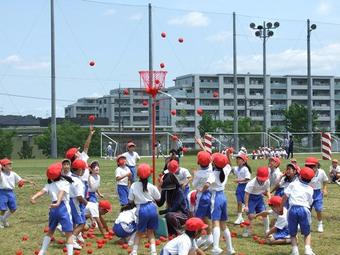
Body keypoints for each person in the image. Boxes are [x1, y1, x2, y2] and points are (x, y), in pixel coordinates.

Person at [31, 163, 74, 255]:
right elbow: (61, 192)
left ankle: (42, 252)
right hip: (63, 208)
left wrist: (33, 197)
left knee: (50, 231)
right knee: (69, 233)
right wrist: (58, 202)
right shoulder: (65, 182)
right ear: (60, 172)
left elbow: (41, 192)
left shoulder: (49, 185)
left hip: (53, 209)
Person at [281, 167, 315, 255]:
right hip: (304, 209)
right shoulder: (310, 189)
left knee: (293, 232)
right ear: (310, 179)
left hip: (292, 209)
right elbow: (310, 202)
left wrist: (281, 207)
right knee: (307, 232)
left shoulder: (293, 184)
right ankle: (307, 250)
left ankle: (295, 251)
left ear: (299, 176)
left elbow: (285, 197)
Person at [128, 163, 161, 255]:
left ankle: (134, 251)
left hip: (142, 209)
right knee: (151, 232)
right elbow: (158, 198)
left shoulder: (134, 185)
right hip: (153, 209)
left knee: (139, 232)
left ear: (138, 175)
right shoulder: (152, 186)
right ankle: (153, 251)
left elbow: (130, 200)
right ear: (149, 174)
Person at [209, 153, 236, 255]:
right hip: (223, 197)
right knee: (223, 224)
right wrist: (228, 155)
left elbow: (207, 184)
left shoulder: (212, 174)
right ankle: (230, 248)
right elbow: (229, 164)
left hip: (215, 197)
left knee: (215, 223)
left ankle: (216, 247)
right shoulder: (225, 170)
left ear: (214, 164)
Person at [0, 158, 34, 228]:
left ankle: (3, 219)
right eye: (8, 164)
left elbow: (20, 180)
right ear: (3, 167)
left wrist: (28, 181)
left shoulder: (13, 174)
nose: (10, 165)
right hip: (2, 192)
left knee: (13, 208)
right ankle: (2, 221)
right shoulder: (1, 174)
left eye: (10, 164)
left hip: (10, 192)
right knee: (2, 209)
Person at [65, 126, 95, 200]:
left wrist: (90, 135)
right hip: (81, 182)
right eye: (77, 151)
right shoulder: (79, 160)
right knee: (81, 199)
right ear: (75, 155)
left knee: (83, 198)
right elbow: (86, 147)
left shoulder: (81, 158)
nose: (79, 152)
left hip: (85, 182)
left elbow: (86, 147)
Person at [192, 151, 214, 250]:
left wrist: (194, 174)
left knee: (198, 218)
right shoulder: (211, 169)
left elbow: (195, 185)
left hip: (201, 197)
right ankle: (209, 236)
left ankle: (196, 239)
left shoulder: (198, 174)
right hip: (210, 195)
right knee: (205, 217)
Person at [157, 171, 189, 236]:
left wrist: (163, 212)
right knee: (167, 216)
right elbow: (160, 203)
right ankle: (172, 232)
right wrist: (154, 197)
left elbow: (174, 208)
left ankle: (181, 231)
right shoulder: (165, 190)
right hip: (172, 213)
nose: (168, 190)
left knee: (169, 215)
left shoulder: (179, 192)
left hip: (182, 214)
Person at [243, 166, 271, 237]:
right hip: (251, 198)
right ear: (257, 176)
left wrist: (269, 198)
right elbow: (247, 194)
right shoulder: (251, 183)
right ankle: (247, 230)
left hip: (259, 198)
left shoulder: (267, 181)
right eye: (261, 179)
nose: (262, 180)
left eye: (264, 179)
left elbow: (267, 190)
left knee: (264, 213)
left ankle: (267, 230)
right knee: (250, 216)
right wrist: (246, 206)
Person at [305, 157, 328, 233]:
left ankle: (320, 224)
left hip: (317, 192)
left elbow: (325, 181)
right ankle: (306, 223)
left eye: (312, 166)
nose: (310, 168)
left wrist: (324, 189)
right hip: (307, 192)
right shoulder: (305, 172)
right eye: (308, 166)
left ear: (317, 165)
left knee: (318, 209)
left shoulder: (321, 172)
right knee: (307, 209)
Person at [69, 159, 88, 249]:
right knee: (82, 223)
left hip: (68, 201)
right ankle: (72, 240)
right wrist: (87, 203)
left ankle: (72, 238)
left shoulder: (70, 178)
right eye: (84, 169)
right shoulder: (78, 182)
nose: (84, 171)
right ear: (80, 170)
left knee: (73, 221)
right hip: (75, 203)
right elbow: (79, 196)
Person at [233, 153, 251, 225]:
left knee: (246, 203)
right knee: (239, 202)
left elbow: (247, 178)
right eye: (237, 159)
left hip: (245, 187)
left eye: (239, 159)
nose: (237, 160)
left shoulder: (245, 169)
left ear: (244, 161)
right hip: (239, 187)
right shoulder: (237, 168)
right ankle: (239, 217)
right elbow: (230, 166)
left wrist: (238, 180)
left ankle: (247, 217)